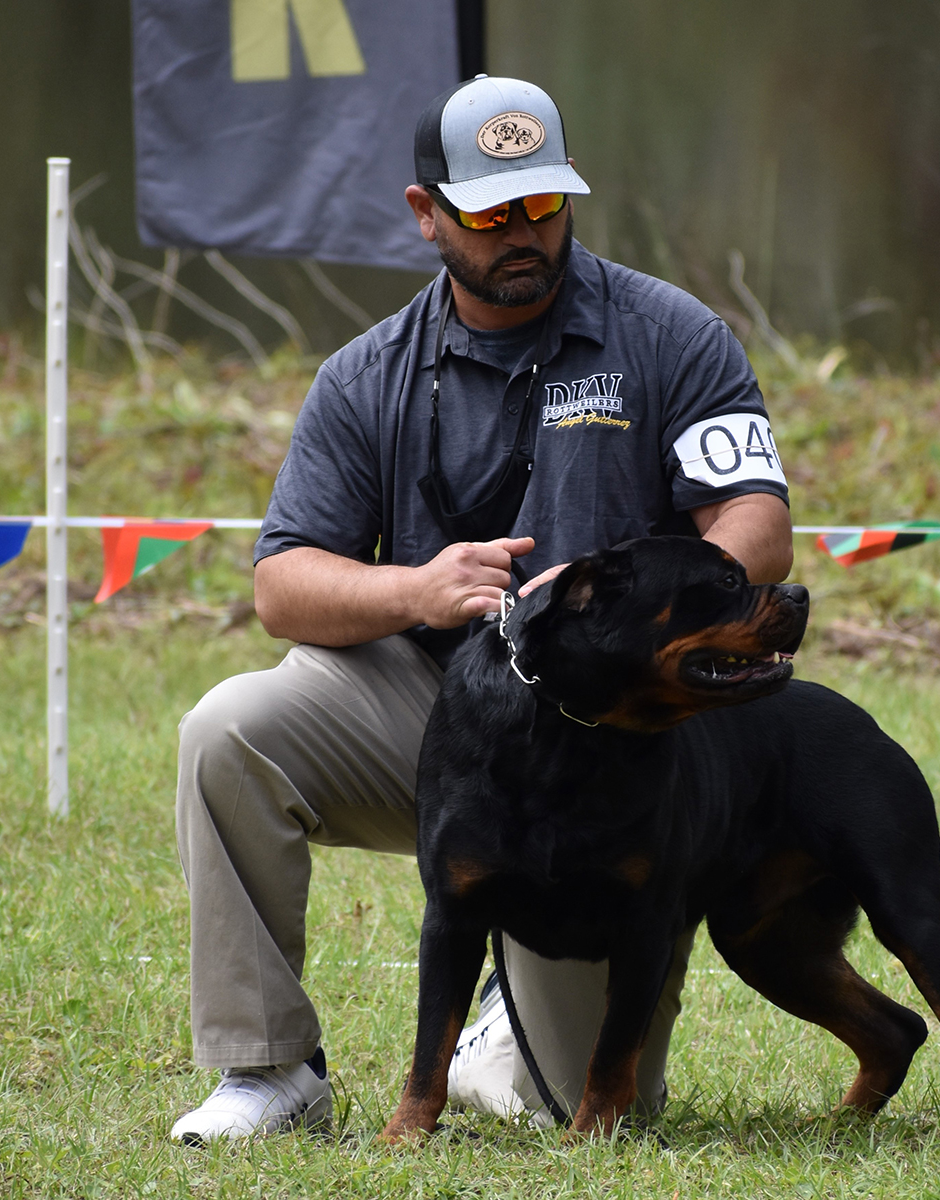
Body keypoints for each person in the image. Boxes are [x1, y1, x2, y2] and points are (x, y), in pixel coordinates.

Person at [169, 74, 793, 1144]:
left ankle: (507, 1013)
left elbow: (757, 526)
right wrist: (417, 589)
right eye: (492, 212)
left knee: (592, 1111)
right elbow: (281, 584)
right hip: (435, 708)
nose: (525, 235)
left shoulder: (673, 336)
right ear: (426, 212)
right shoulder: (366, 376)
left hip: (612, 743)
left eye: (543, 206)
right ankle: (269, 1069)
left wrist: (663, 632)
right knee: (227, 731)